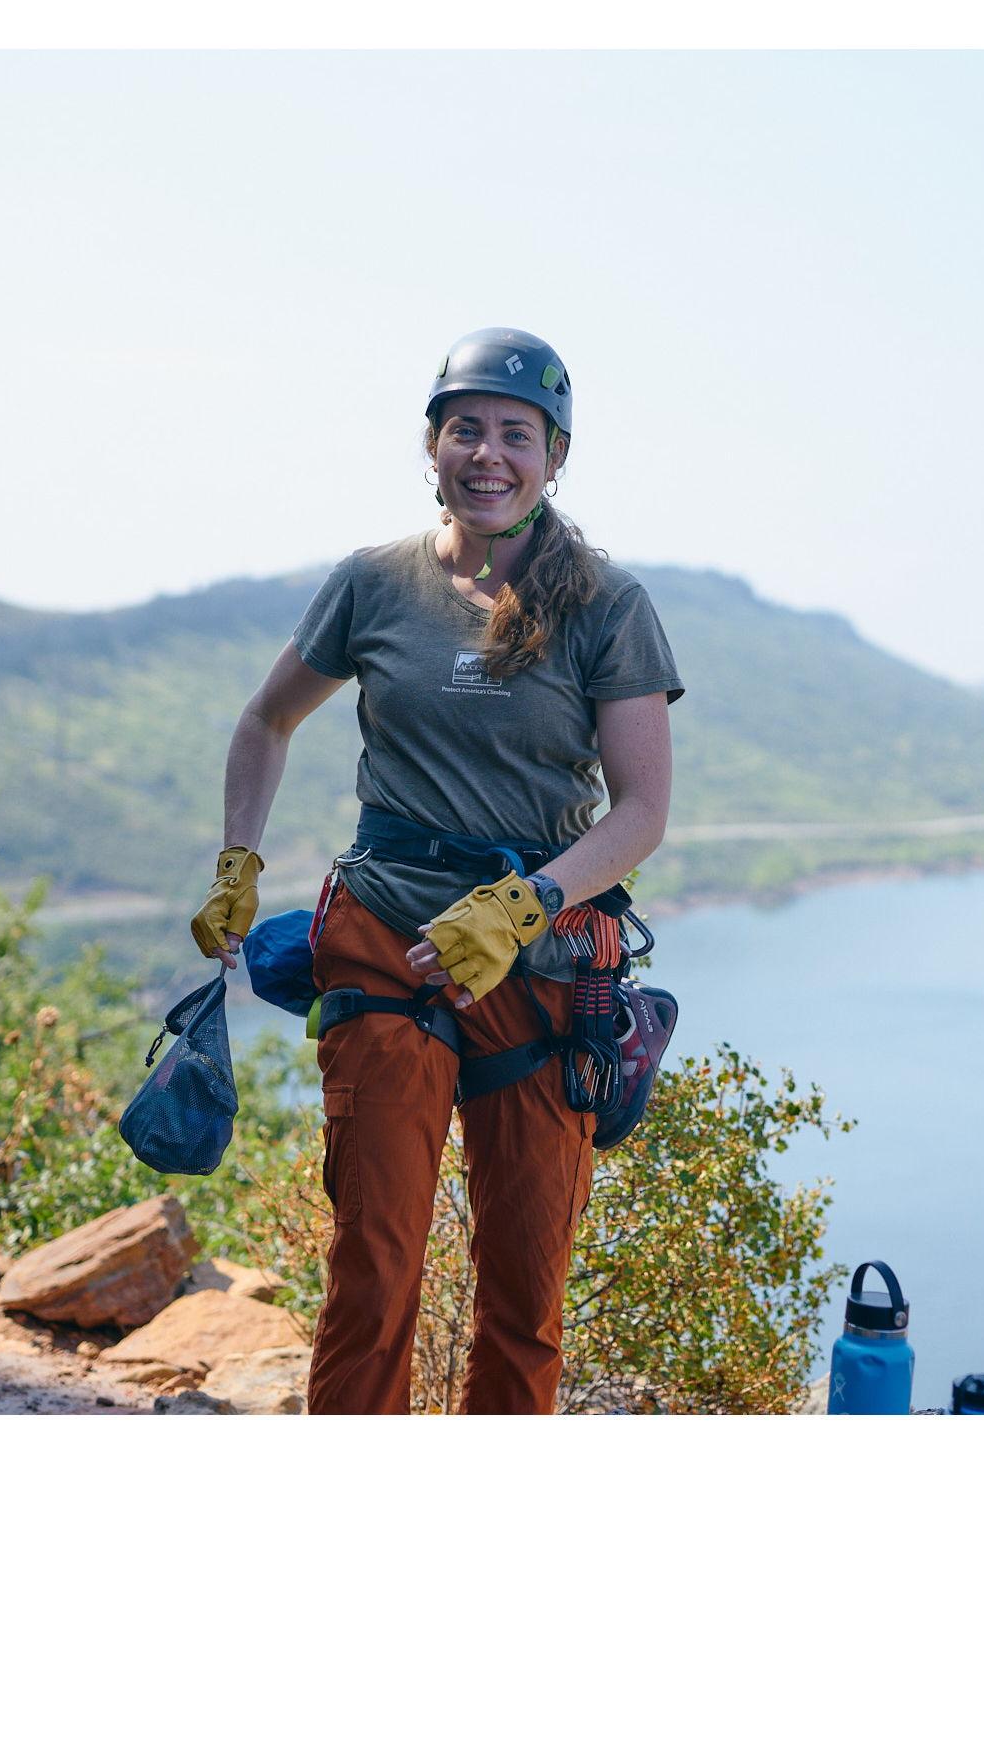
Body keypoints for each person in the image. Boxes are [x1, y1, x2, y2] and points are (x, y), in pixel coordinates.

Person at [188, 328, 682, 1414]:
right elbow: (266, 721)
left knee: (523, 1286)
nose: (488, 454)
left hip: (542, 961)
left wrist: (523, 902)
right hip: (382, 935)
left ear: (554, 456)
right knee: (372, 1265)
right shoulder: (374, 583)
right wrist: (237, 860)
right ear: (431, 443)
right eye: (467, 429)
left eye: (516, 433)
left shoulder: (606, 603)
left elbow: (641, 810)